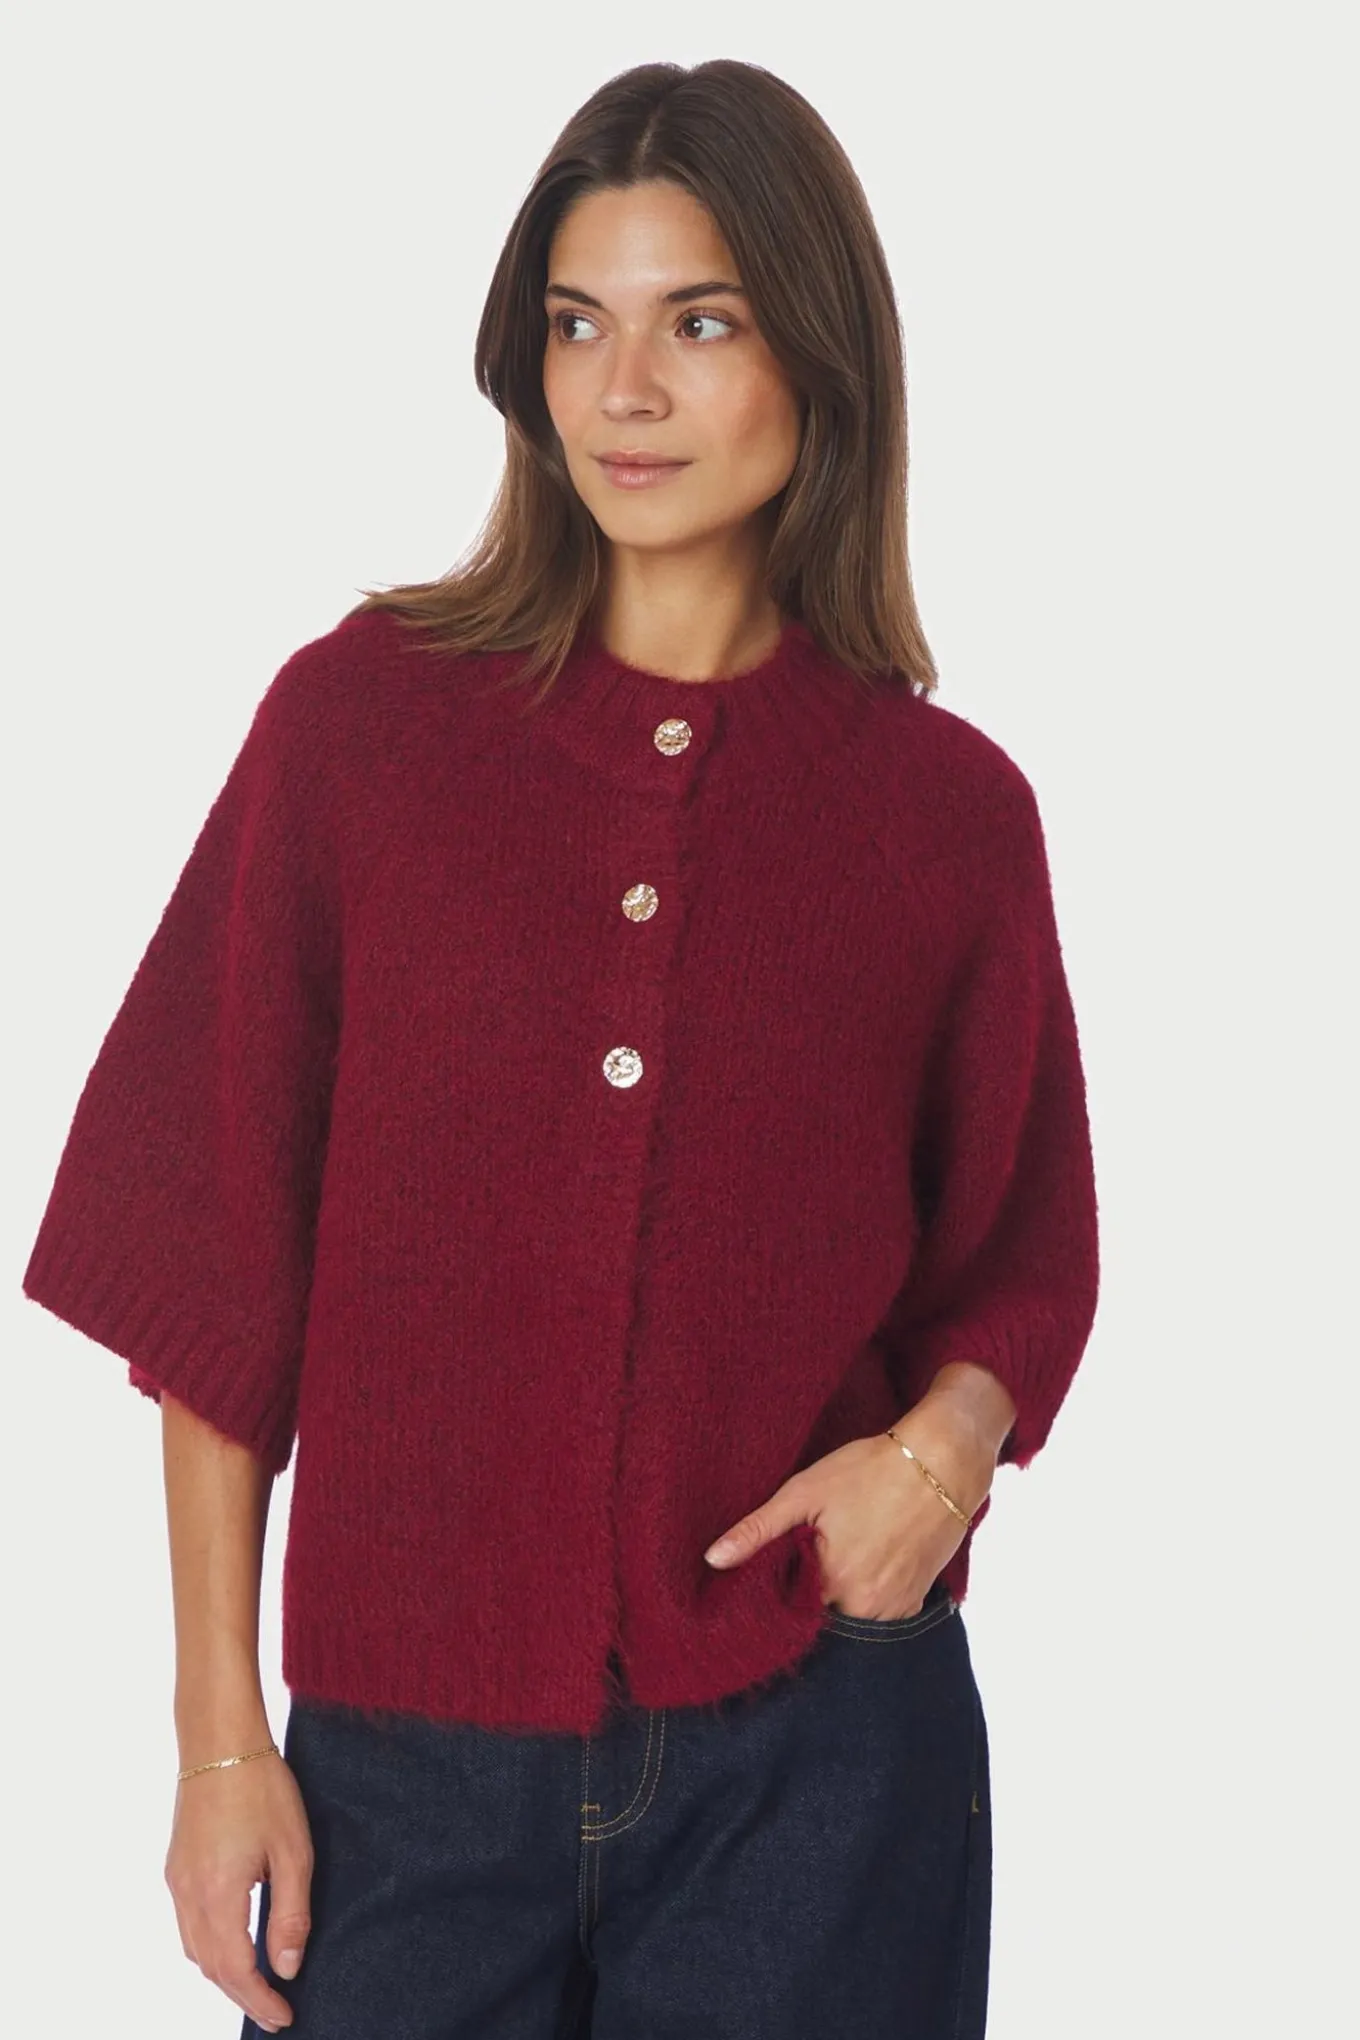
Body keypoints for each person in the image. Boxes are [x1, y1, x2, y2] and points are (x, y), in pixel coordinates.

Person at [21, 56, 1100, 2040]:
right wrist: (216, 1738)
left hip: (819, 1752)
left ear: (820, 353)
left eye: (701, 324)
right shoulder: (360, 731)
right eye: (578, 326)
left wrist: (939, 1463)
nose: (624, 392)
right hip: (400, 1774)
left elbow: (1017, 1259)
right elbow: (208, 1265)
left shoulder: (944, 816)